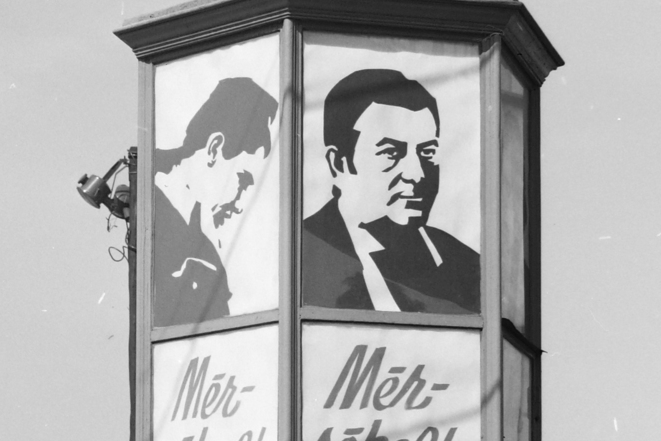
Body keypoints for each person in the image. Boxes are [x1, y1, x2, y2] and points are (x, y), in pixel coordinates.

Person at [302, 68, 479, 315]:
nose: (416, 174)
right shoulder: (301, 256)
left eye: (427, 153)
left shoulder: (469, 266)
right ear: (339, 163)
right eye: (391, 153)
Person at [152, 77, 278, 326]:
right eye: (242, 181)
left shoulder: (204, 241)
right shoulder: (146, 202)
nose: (240, 202)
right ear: (214, 148)